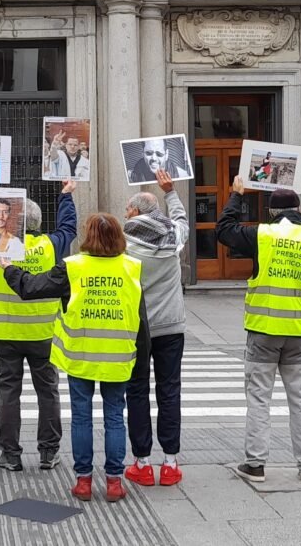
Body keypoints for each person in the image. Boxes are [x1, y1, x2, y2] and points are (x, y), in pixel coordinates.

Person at [0, 213, 150, 503]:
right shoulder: (132, 267)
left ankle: (83, 481)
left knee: (82, 417)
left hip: (81, 356)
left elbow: (31, 288)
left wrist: (9, 269)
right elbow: (141, 319)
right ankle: (114, 482)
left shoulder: (73, 267)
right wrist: (141, 362)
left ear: (88, 236)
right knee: (114, 417)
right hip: (118, 357)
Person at [216, 178, 301, 483]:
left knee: (259, 397)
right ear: (299, 209)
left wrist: (236, 195)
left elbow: (223, 230)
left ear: (272, 212)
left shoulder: (262, 235)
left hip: (263, 331)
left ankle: (256, 464)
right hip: (300, 333)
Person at [0, 180, 77, 472]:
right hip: (44, 333)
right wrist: (65, 197)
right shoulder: (51, 245)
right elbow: (69, 228)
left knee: (9, 393)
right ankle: (49, 453)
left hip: (6, 333)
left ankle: (10, 454)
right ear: (38, 223)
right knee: (48, 391)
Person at [122, 169, 189, 487]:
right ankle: (171, 463)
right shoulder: (173, 237)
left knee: (136, 391)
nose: (125, 213)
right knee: (169, 391)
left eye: (127, 209)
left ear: (135, 212)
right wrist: (170, 191)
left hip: (137, 327)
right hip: (172, 326)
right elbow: (182, 221)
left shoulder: (124, 242)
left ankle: (143, 462)